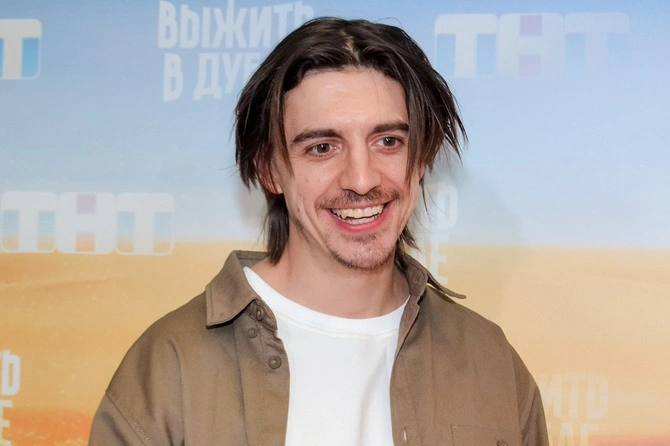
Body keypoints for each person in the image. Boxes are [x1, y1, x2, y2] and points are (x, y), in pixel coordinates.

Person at [89, 17, 548, 445]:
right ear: (269, 169)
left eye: (388, 141)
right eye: (323, 147)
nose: (362, 179)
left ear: (422, 158)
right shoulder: (170, 367)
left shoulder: (491, 363)